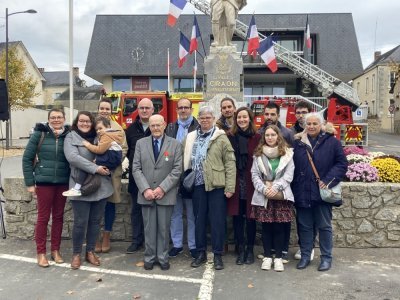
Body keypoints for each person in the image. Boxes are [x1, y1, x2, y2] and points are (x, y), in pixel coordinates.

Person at [292, 112, 347, 271]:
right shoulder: (298, 143)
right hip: (302, 191)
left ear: (321, 125)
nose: (311, 126)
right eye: (308, 124)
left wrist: (328, 180)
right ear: (304, 125)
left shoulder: (331, 142)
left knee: (324, 226)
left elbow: (341, 164)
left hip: (322, 192)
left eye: (315, 123)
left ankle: (326, 258)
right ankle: (305, 256)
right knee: (305, 226)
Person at [184, 106, 236, 270]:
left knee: (217, 221)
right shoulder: (191, 136)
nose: (205, 120)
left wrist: (230, 187)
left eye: (208, 117)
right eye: (202, 117)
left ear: (213, 119)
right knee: (199, 220)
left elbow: (229, 162)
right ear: (198, 119)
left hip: (216, 185)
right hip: (198, 185)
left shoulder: (220, 137)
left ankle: (218, 254)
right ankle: (200, 253)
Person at [132, 115, 182, 271]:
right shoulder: (141, 144)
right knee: (149, 228)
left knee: (163, 228)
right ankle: (149, 257)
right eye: (152, 125)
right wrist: (145, 189)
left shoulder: (175, 144)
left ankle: (163, 257)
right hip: (146, 194)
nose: (155, 128)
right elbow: (136, 168)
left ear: (164, 125)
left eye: (158, 125)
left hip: (165, 194)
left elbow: (177, 169)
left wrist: (162, 188)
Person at [64, 111, 114, 270]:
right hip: (81, 187)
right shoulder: (71, 137)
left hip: (101, 187)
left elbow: (113, 153)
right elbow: (73, 158)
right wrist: (96, 168)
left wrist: (107, 167)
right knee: (80, 222)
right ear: (76, 122)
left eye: (88, 121)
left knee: (95, 222)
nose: (85, 124)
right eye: (81, 121)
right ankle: (76, 254)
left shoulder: (100, 136)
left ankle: (90, 251)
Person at [22, 109, 70, 267]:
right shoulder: (39, 134)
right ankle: (41, 253)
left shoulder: (68, 135)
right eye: (53, 117)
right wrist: (30, 183)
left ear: (64, 119)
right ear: (48, 119)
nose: (56, 120)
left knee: (58, 217)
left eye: (59, 117)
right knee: (43, 218)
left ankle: (55, 250)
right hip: (43, 182)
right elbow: (27, 159)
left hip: (63, 182)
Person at [250, 125, 295, 272]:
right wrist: (264, 189)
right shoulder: (258, 154)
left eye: (273, 135)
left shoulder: (287, 153)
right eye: (267, 135)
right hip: (264, 195)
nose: (270, 138)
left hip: (281, 195)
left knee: (279, 227)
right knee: (266, 227)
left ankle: (278, 259)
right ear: (264, 137)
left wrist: (275, 187)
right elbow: (255, 175)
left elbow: (289, 175)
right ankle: (268, 256)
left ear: (278, 136)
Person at [258, 101, 294, 262]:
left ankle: (282, 251)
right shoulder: (259, 132)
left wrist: (278, 185)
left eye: (273, 114)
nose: (269, 117)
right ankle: (269, 253)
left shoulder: (287, 133)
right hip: (265, 189)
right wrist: (264, 186)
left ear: (278, 115)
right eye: (267, 114)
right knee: (267, 223)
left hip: (281, 189)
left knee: (282, 222)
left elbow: (290, 164)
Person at [165, 98, 199, 259]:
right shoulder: (170, 127)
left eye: (186, 107)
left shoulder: (198, 127)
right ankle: (177, 244)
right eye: (181, 108)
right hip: (173, 176)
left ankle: (192, 245)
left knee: (192, 214)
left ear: (192, 109)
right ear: (177, 110)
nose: (183, 110)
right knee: (175, 214)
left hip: (191, 176)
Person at [227, 107, 261, 265]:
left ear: (250, 118)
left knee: (250, 218)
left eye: (244, 117)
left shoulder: (257, 137)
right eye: (239, 117)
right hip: (236, 181)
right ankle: (240, 249)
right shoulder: (230, 136)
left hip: (252, 182)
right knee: (237, 218)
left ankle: (250, 250)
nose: (241, 120)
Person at [94, 98, 128, 253]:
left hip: (112, 172)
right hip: (93, 171)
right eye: (102, 108)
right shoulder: (91, 126)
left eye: (107, 109)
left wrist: (109, 163)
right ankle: (94, 236)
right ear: (98, 109)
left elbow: (124, 149)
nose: (104, 111)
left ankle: (106, 235)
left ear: (111, 111)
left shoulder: (118, 128)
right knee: (94, 204)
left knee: (110, 204)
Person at [62, 116, 123, 197]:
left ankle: (77, 188)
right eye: (96, 129)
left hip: (110, 157)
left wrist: (88, 145)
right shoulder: (112, 134)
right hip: (113, 157)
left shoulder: (106, 135)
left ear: (108, 127)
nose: (98, 131)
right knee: (89, 165)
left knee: (86, 166)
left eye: (100, 128)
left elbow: (100, 150)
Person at [289, 100, 317, 261]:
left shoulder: (317, 130)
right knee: (301, 216)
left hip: (313, 180)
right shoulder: (291, 132)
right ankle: (303, 245)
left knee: (313, 217)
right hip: (296, 181)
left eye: (303, 112)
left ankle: (310, 246)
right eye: (298, 112)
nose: (300, 115)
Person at [125, 98, 154, 253]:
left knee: (153, 211)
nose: (144, 110)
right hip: (135, 178)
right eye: (141, 107)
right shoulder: (130, 130)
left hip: (154, 177)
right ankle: (136, 240)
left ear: (152, 110)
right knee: (136, 210)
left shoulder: (158, 127)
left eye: (147, 108)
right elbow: (127, 152)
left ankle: (152, 241)